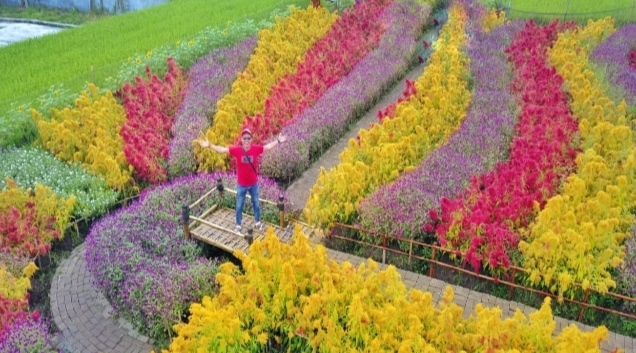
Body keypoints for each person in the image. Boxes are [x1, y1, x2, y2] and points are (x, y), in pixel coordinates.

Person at [197, 128, 287, 233]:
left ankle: (257, 222)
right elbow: (223, 150)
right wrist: (210, 145)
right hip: (242, 185)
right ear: (241, 139)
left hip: (253, 184)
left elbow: (267, 147)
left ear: (251, 139)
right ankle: (238, 225)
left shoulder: (256, 149)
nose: (246, 140)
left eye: (248, 138)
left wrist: (278, 141)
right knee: (239, 205)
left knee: (256, 204)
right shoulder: (237, 150)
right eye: (244, 138)